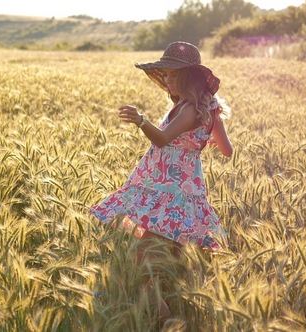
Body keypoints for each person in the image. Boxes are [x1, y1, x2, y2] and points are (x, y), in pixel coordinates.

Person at [90, 41, 233, 319]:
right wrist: (201, 140)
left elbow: (164, 139)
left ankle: (162, 317)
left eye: (171, 75)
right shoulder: (208, 110)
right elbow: (227, 149)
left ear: (186, 77)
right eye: (164, 75)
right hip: (182, 188)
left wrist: (141, 121)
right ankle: (150, 304)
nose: (166, 81)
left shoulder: (190, 109)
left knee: (142, 254)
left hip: (166, 189)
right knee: (162, 255)